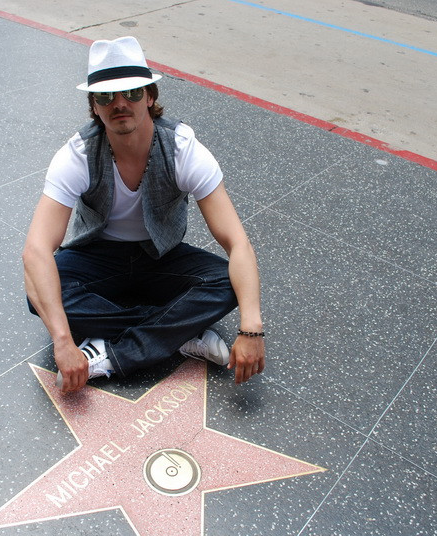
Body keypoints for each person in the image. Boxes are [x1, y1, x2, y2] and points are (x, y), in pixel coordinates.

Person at [22, 36, 265, 392]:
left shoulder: (183, 149)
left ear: (150, 96)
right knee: (40, 290)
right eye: (106, 96)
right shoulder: (77, 154)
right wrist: (61, 340)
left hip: (161, 255)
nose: (120, 103)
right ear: (94, 106)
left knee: (228, 282)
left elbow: (238, 242)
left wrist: (252, 328)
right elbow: (36, 250)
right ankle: (180, 334)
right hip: (98, 256)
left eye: (132, 93)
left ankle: (111, 353)